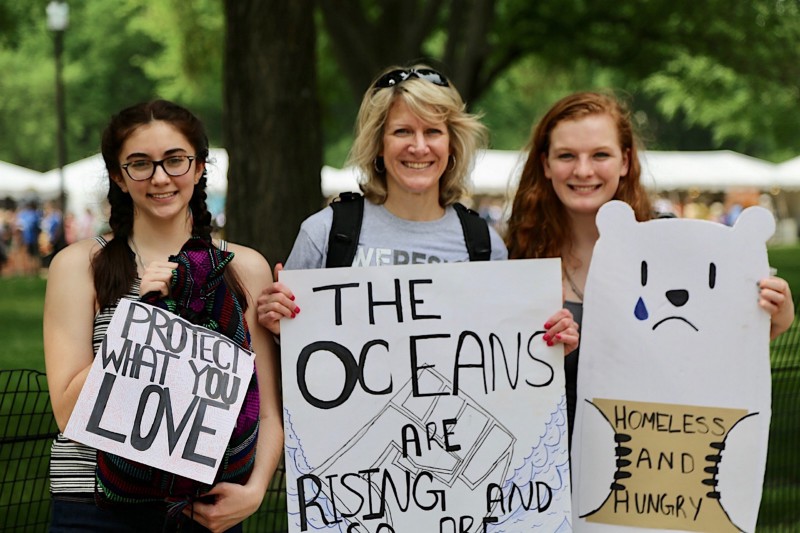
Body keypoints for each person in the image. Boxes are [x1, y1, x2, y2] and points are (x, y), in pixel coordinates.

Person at [43, 100, 283, 532]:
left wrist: (254, 491)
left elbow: (265, 409)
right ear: (118, 175)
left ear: (199, 167)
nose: (159, 177)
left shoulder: (244, 267)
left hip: (206, 504)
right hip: (93, 506)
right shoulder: (79, 265)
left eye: (175, 161)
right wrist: (144, 319)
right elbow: (66, 411)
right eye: (140, 164)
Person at [505, 91, 796, 439]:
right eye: (567, 155)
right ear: (545, 164)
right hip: (542, 477)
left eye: (600, 154)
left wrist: (773, 323)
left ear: (625, 161)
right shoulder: (513, 257)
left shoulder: (674, 244)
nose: (583, 170)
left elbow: (710, 356)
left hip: (648, 470)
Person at [256, 65, 579, 353]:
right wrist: (278, 325)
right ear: (379, 146)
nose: (419, 147)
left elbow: (501, 357)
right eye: (402, 131)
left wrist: (546, 346)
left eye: (433, 131)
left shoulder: (483, 244)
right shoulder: (325, 233)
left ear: (451, 144)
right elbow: (290, 360)